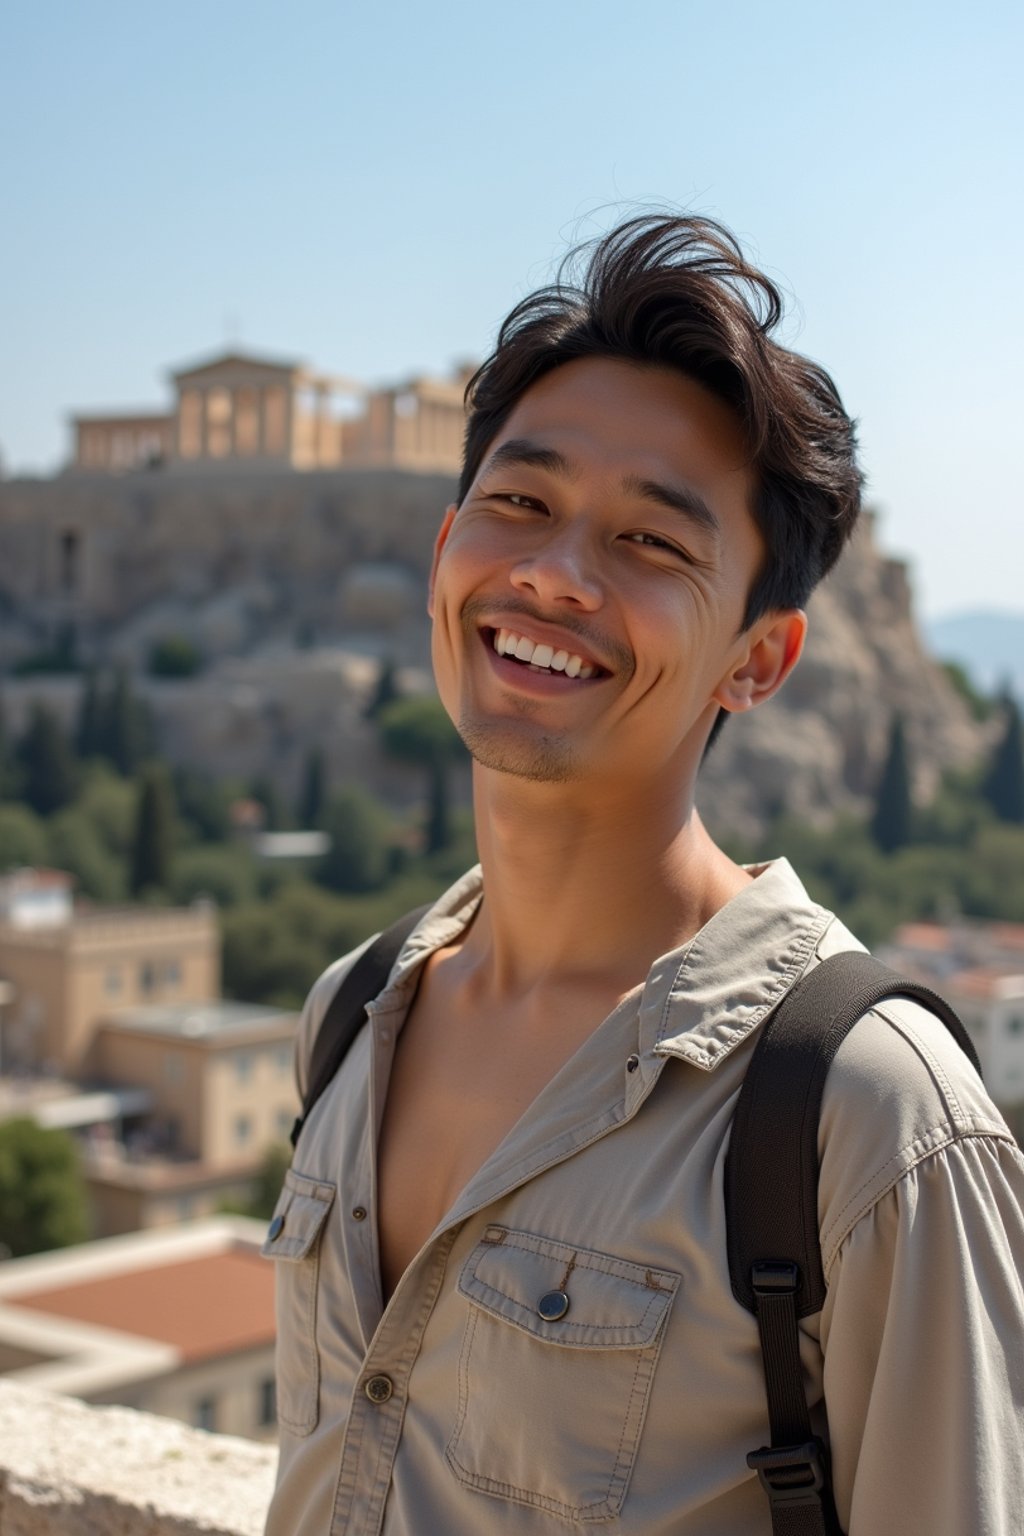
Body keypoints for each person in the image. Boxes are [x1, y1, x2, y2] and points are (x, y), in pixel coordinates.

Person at [263, 215, 1024, 1536]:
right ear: (448, 544)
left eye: (652, 545)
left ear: (759, 659)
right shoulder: (350, 1018)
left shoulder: (868, 1119)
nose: (553, 576)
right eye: (521, 503)